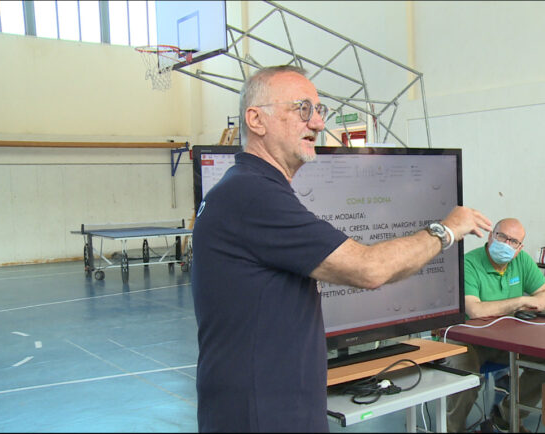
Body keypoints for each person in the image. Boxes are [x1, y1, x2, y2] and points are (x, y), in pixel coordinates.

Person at [190, 65, 492, 433]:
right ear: (256, 119)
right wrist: (446, 230)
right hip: (261, 413)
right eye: (302, 109)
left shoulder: (248, 188)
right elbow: (368, 269)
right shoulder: (252, 195)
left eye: (319, 111)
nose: (317, 124)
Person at [444, 218, 545, 433]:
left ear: (519, 248)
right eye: (501, 236)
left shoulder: (522, 260)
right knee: (465, 378)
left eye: (513, 241)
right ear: (490, 236)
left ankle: (506, 417)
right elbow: (475, 311)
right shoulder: (468, 263)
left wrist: (530, 301)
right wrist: (521, 301)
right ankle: (452, 429)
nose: (506, 244)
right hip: (468, 340)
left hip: (507, 339)